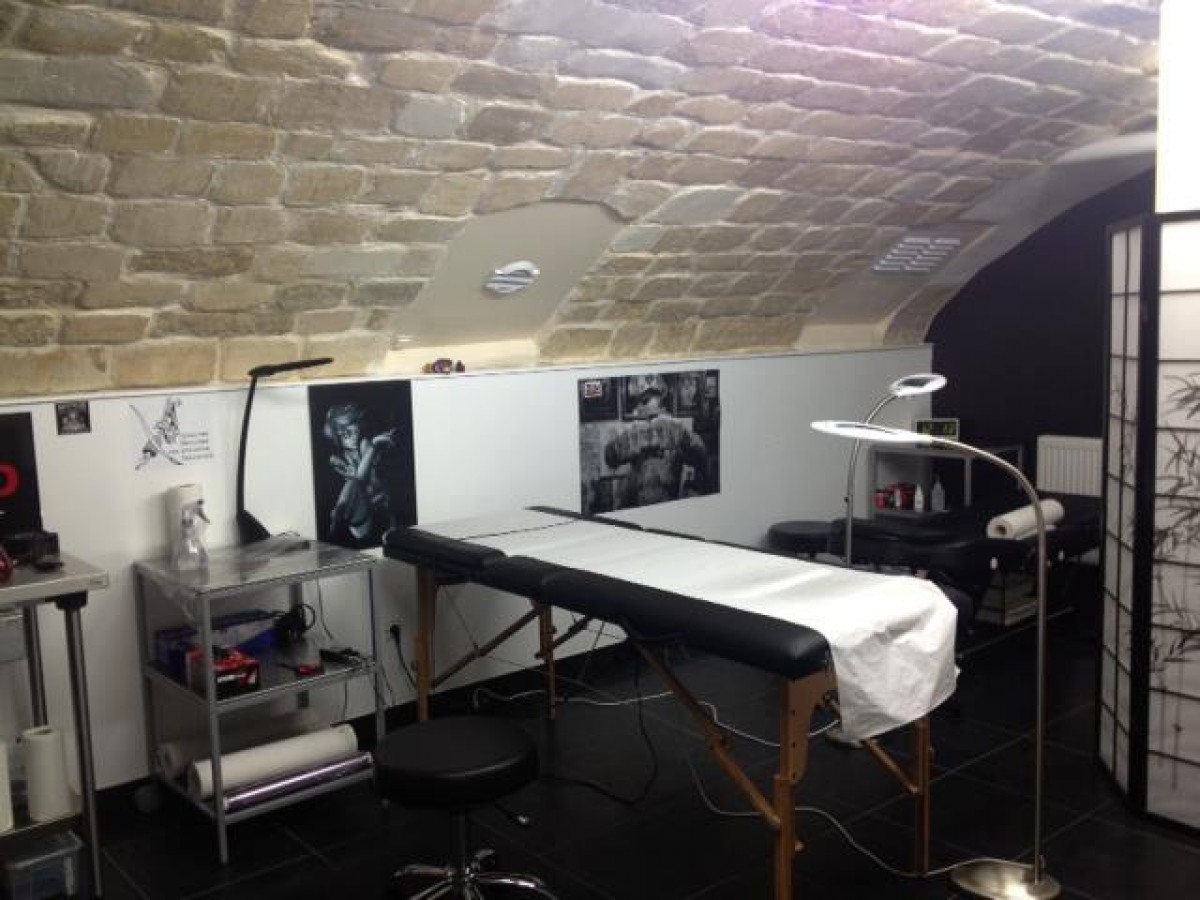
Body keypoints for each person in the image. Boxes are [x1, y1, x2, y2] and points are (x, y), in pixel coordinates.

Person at [604, 376, 708, 509]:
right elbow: (610, 457)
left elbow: (701, 455)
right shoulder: (673, 429)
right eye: (644, 401)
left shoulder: (673, 428)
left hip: (657, 502)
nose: (641, 407)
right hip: (654, 502)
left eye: (644, 401)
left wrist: (682, 439)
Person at [323, 404, 401, 543]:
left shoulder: (366, 445)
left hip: (379, 519)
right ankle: (336, 522)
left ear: (359, 424)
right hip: (358, 522)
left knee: (354, 483)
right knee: (352, 484)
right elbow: (358, 482)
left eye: (351, 424)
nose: (347, 433)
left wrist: (373, 446)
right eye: (341, 429)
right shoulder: (337, 458)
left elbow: (362, 479)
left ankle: (335, 523)